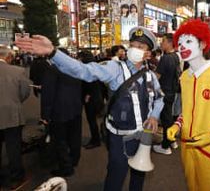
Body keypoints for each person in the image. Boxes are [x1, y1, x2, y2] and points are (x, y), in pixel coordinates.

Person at [15, 26, 164, 191]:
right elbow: (84, 70)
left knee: (138, 174)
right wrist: (52, 52)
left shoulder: (150, 75)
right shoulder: (115, 68)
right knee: (116, 175)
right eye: (133, 44)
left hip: (143, 136)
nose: (134, 48)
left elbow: (159, 98)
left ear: (148, 54)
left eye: (141, 47)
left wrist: (154, 116)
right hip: (120, 138)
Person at [167, 19, 210, 190]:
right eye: (181, 42)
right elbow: (188, 112)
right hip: (187, 149)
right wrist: (177, 125)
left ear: (203, 44)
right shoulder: (184, 77)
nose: (183, 46)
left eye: (189, 41)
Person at [41, 48, 82, 177]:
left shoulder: (51, 70)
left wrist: (45, 115)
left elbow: (47, 95)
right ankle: (74, 160)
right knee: (75, 137)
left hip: (58, 110)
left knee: (60, 140)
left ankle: (66, 167)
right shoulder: (75, 68)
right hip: (75, 108)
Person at [0, 46, 31, 189]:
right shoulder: (18, 71)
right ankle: (16, 178)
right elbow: (25, 92)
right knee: (13, 148)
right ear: (8, 57)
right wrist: (15, 101)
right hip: (12, 114)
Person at [153, 33, 181, 155]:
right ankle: (172, 140)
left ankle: (165, 146)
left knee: (166, 119)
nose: (161, 43)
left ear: (170, 43)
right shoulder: (175, 56)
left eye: (163, 41)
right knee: (168, 117)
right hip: (172, 91)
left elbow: (157, 76)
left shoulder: (165, 58)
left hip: (164, 92)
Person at [78, 50, 104, 149]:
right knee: (95, 119)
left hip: (91, 99)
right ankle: (98, 137)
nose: (78, 59)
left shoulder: (87, 68)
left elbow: (90, 83)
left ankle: (95, 140)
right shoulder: (95, 66)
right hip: (97, 97)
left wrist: (88, 95)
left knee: (92, 120)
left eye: (80, 57)